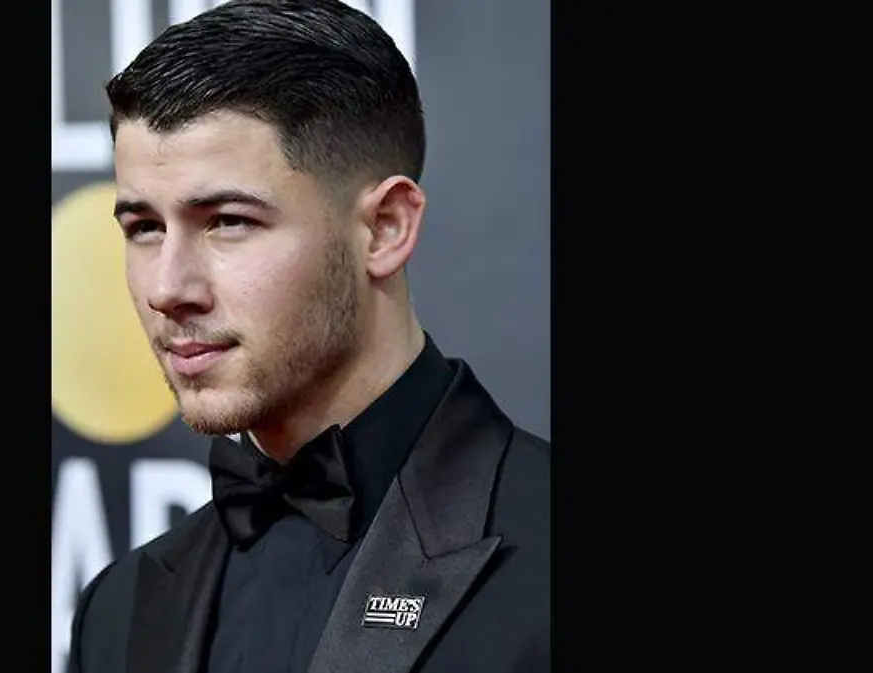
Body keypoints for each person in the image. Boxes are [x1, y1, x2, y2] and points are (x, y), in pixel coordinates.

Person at [67, 1, 549, 671]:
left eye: (228, 220)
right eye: (145, 228)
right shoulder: (117, 612)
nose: (168, 289)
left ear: (385, 228)